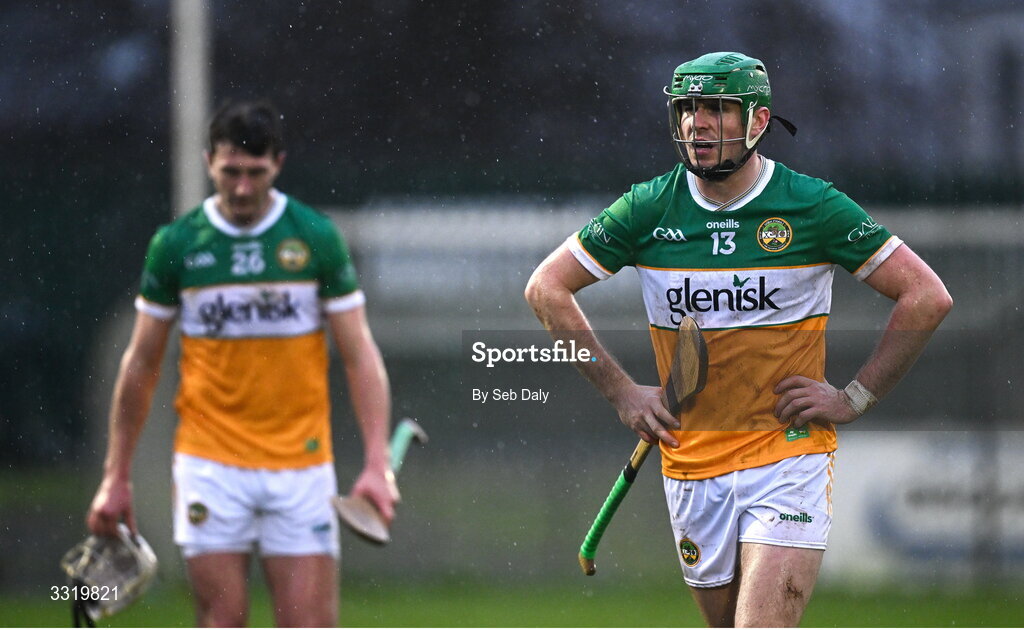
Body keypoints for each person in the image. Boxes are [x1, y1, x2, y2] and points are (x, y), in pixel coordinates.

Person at [525, 52, 952, 627]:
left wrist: (852, 397)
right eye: (686, 109)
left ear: (758, 121)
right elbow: (546, 289)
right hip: (690, 463)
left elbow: (926, 296)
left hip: (786, 452)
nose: (695, 125)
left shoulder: (813, 206)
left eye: (716, 110)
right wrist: (623, 393)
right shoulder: (648, 209)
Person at [86, 100, 397, 627]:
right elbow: (140, 365)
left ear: (278, 163)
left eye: (256, 172)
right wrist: (115, 477)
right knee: (222, 621)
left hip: (301, 468)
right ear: (209, 162)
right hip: (210, 466)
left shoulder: (315, 237)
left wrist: (374, 462)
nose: (243, 188)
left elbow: (360, 354)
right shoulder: (177, 246)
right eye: (231, 172)